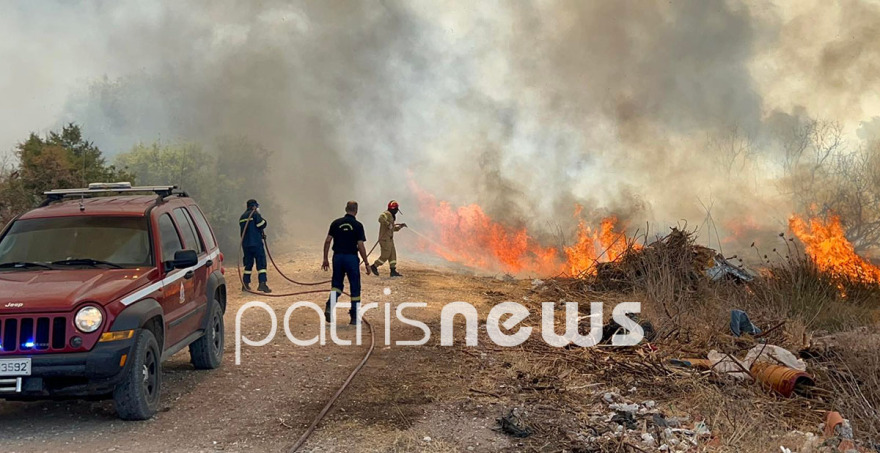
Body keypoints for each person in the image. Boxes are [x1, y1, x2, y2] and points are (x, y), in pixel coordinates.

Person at [323, 201, 372, 325]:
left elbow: (328, 241)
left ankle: (329, 305)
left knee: (337, 285)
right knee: (355, 287)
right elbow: (360, 245)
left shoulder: (336, 223)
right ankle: (354, 317)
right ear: (356, 210)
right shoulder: (358, 225)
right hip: (351, 258)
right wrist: (366, 263)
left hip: (338, 257)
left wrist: (325, 259)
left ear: (346, 209)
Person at [239, 199, 271, 293]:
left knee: (248, 264)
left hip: (246, 245)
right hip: (256, 243)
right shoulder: (255, 214)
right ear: (253, 206)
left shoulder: (242, 216)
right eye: (256, 207)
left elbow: (249, 229)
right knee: (261, 263)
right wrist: (264, 221)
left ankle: (245, 284)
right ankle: (262, 284)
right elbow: (261, 224)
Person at [370, 200, 406, 277]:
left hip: (389, 239)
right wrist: (388, 223)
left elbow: (393, 229)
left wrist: (400, 226)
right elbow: (380, 218)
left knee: (393, 255)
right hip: (384, 240)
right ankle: (374, 266)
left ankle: (393, 271)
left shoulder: (391, 216)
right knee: (385, 255)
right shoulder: (387, 214)